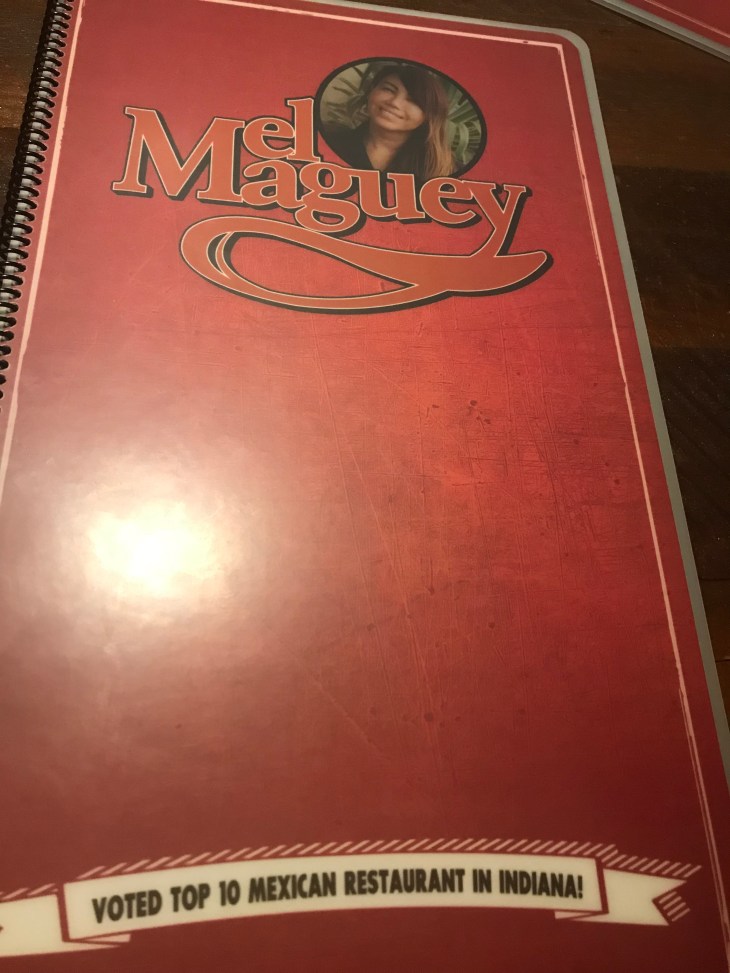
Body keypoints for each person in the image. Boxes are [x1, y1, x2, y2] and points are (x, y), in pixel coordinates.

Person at [326, 64, 454, 181]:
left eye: (413, 100)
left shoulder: (444, 169)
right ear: (371, 92)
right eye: (388, 89)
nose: (394, 102)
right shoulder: (330, 140)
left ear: (429, 115)